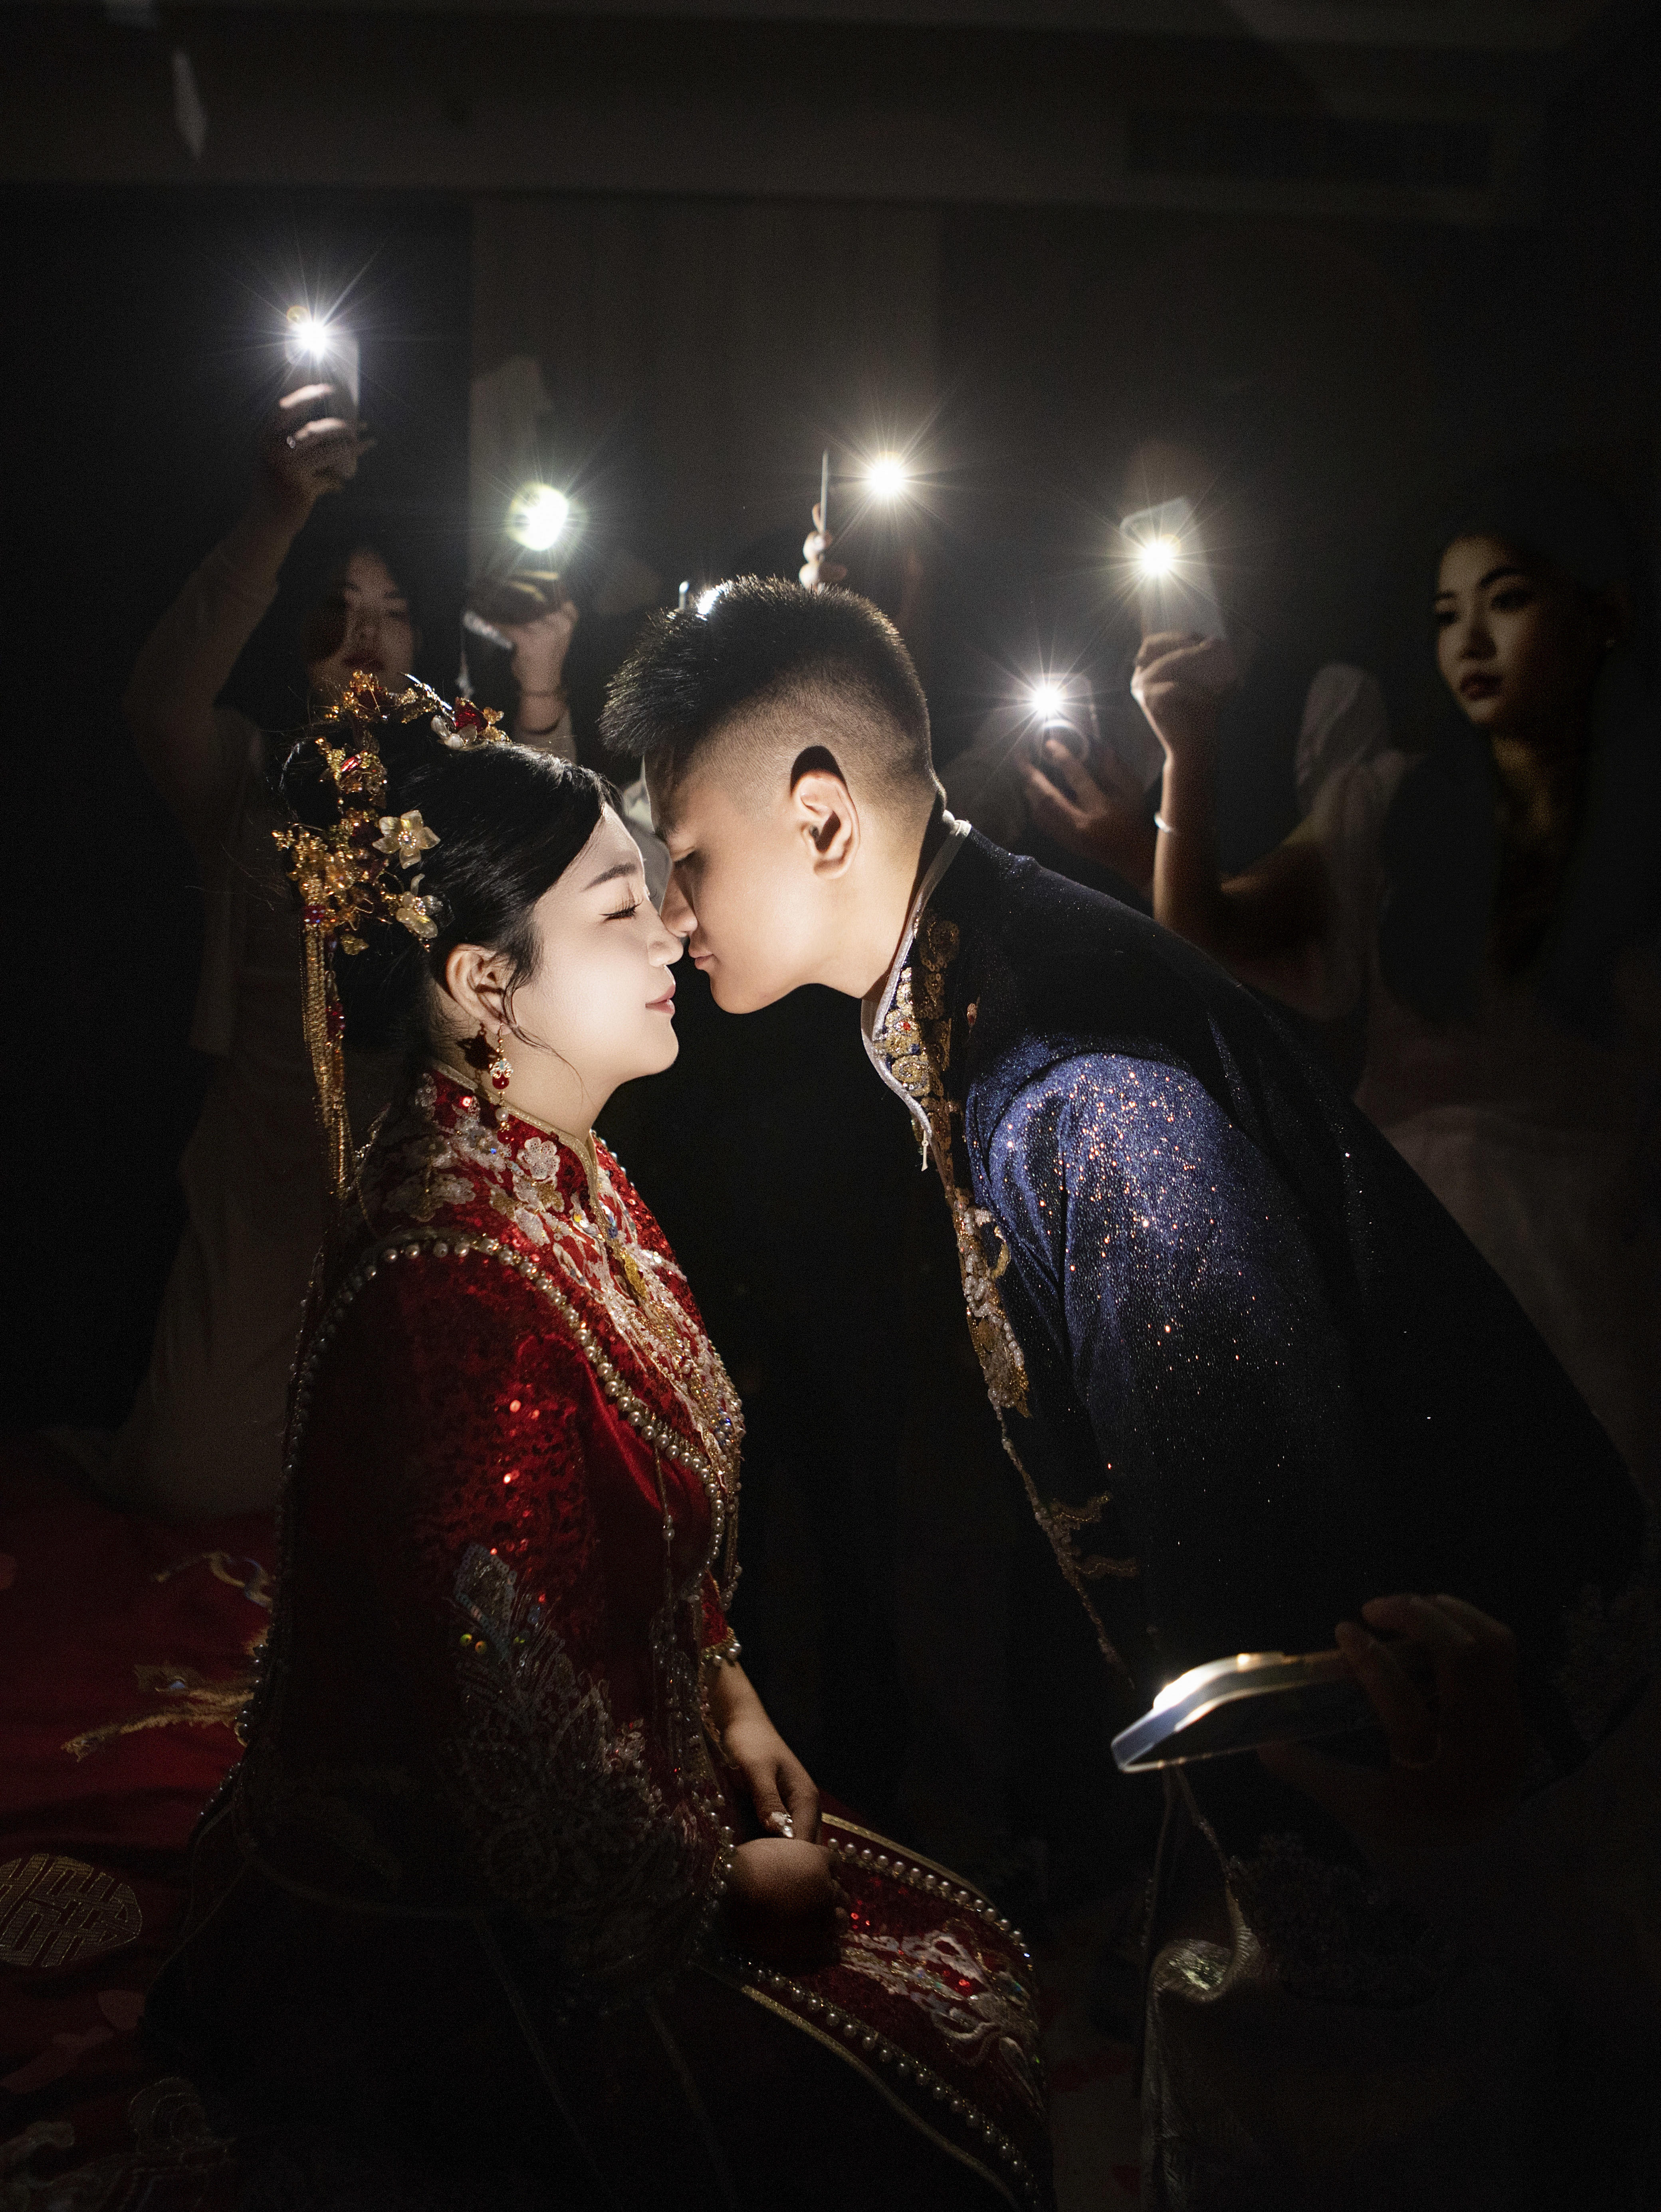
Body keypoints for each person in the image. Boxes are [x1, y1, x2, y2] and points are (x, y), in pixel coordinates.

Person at [600, 577, 1657, 2203]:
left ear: (818, 815)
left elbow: (1279, 1582)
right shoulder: (984, 972)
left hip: (1425, 1805)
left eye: (687, 856)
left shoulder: (1083, 1098)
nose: (674, 909)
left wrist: (1330, 1834)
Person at [144, 676, 1050, 2212]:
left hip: (638, 1787)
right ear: (486, 986)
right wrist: (714, 1887)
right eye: (623, 906)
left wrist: (729, 1693)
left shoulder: (554, 1159)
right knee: (949, 2107)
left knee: (979, 1976)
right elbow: (518, 1733)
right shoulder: (454, 1289)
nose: (677, 932)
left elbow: (632, 1538)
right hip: (468, 1921)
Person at [1104, 469, 1661, 1503]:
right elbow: (1206, 937)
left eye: (1507, 600)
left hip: (1598, 1284)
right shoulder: (1394, 803)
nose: (1471, 641)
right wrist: (1191, 750)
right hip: (1411, 1255)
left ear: (1607, 614)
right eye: (1447, 615)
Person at [97, 385, 578, 1522]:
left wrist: (543, 680)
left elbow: (569, 868)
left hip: (429, 1168)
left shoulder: (463, 783)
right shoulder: (249, 775)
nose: (367, 632)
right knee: (191, 1478)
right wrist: (276, 520)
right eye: (340, 605)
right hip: (267, 1160)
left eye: (394, 609)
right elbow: (161, 705)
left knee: (450, 1498)